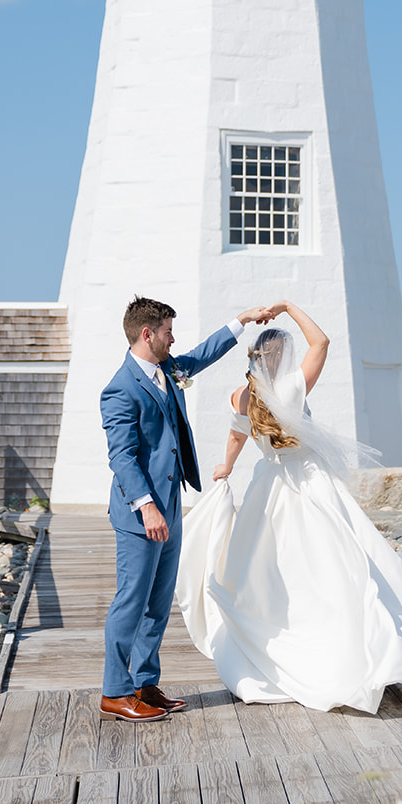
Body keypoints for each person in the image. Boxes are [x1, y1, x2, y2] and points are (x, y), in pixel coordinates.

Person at [175, 300, 402, 713]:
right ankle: (346, 647)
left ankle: (274, 650)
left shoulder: (241, 395)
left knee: (270, 572)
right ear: (284, 357)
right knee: (334, 565)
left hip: (267, 486)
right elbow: (321, 340)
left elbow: (237, 436)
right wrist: (289, 306)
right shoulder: (292, 387)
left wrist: (226, 466)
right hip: (308, 484)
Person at [99, 294, 273, 722]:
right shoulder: (119, 389)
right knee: (131, 600)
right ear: (147, 334)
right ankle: (114, 692)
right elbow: (122, 456)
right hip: (142, 514)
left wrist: (242, 320)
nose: (173, 340)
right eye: (168, 332)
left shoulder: (167, 370)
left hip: (172, 504)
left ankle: (144, 683)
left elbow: (202, 355)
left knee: (159, 602)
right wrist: (147, 508)